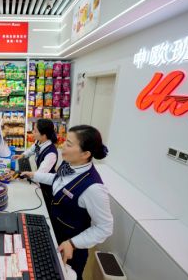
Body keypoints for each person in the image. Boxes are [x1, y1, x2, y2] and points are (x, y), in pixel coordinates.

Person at [22, 125, 113, 280]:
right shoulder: (69, 164)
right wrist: (34, 175)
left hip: (72, 250)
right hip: (54, 235)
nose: (62, 145)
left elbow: (105, 228)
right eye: (65, 141)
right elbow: (58, 179)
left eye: (69, 144)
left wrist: (73, 243)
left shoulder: (94, 188)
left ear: (85, 154)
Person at [13, 119, 58, 214]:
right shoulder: (39, 142)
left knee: (43, 208)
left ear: (44, 135)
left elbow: (40, 176)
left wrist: (19, 174)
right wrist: (23, 155)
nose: (32, 132)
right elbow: (32, 150)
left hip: (46, 186)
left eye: (35, 131)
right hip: (38, 178)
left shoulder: (51, 154)